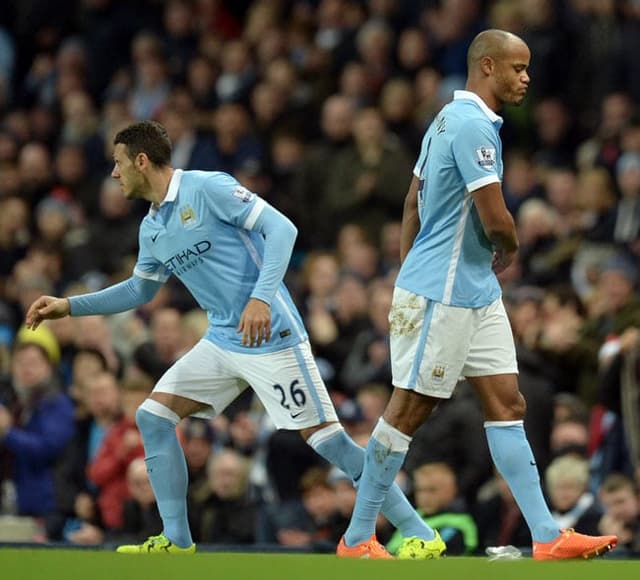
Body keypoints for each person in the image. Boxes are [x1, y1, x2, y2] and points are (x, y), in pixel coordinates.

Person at [25, 120, 438, 556]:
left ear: (141, 161)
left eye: (118, 163)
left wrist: (261, 299)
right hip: (223, 340)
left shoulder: (207, 188)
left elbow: (283, 231)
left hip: (272, 335)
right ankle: (176, 542)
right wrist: (69, 306)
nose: (114, 173)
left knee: (330, 444)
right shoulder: (152, 228)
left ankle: (417, 532)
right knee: (153, 416)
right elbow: (138, 290)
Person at [337, 29, 618, 561]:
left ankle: (546, 535)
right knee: (410, 410)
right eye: (518, 68)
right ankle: (356, 538)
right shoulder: (470, 127)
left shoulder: (447, 119)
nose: (526, 78)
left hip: (473, 291)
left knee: (508, 402)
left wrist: (409, 267)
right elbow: (495, 217)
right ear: (487, 66)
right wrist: (507, 246)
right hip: (442, 294)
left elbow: (411, 205)